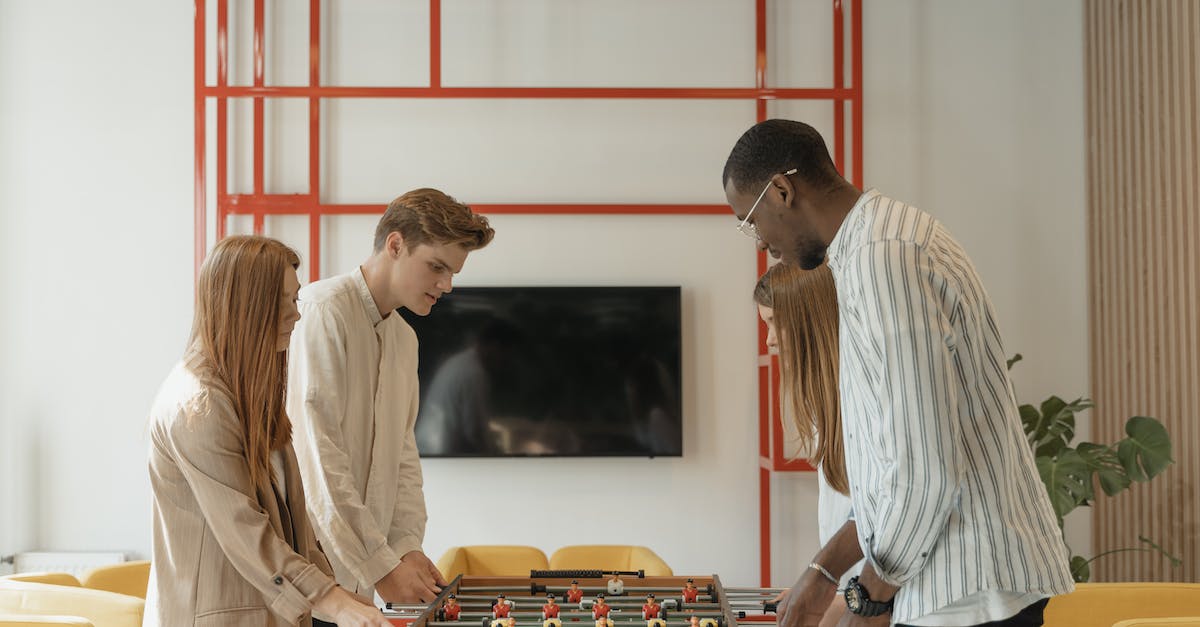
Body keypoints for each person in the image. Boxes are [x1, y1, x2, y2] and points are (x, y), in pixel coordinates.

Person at [724, 119, 1073, 627]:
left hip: (964, 597)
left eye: (750, 220)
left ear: (782, 190)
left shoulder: (882, 259)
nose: (759, 243)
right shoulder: (882, 241)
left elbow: (923, 467)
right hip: (961, 589)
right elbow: (888, 473)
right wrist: (823, 574)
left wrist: (870, 599)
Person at [146, 235, 390, 627]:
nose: (296, 315)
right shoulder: (197, 406)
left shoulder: (250, 397)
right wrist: (334, 602)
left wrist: (343, 596)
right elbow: (246, 530)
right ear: (248, 304)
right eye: (287, 301)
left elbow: (294, 529)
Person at [287, 188, 495, 616]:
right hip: (307, 581)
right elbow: (318, 458)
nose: (447, 285)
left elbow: (403, 457)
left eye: (452, 272)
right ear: (395, 245)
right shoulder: (323, 311)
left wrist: (405, 547)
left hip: (361, 581)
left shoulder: (406, 339)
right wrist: (382, 566)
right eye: (436, 267)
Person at [753, 262, 856, 627]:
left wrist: (841, 595)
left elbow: (886, 515)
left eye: (773, 322)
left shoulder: (859, 394)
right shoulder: (820, 400)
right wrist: (823, 587)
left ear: (807, 319)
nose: (769, 339)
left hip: (883, 598)